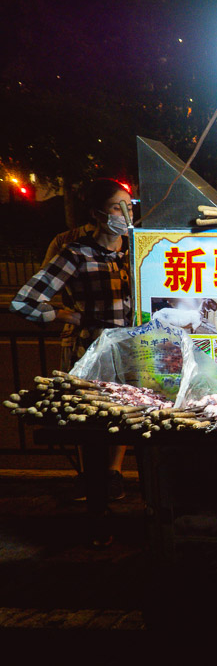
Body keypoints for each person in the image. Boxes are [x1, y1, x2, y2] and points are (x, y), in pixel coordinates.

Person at [10, 178, 134, 502]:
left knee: (132, 424)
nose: (125, 213)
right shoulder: (77, 253)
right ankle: (98, 518)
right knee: (91, 430)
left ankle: (122, 486)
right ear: (96, 213)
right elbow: (24, 302)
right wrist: (63, 315)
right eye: (116, 207)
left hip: (134, 354)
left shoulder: (138, 250)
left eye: (129, 205)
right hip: (92, 354)